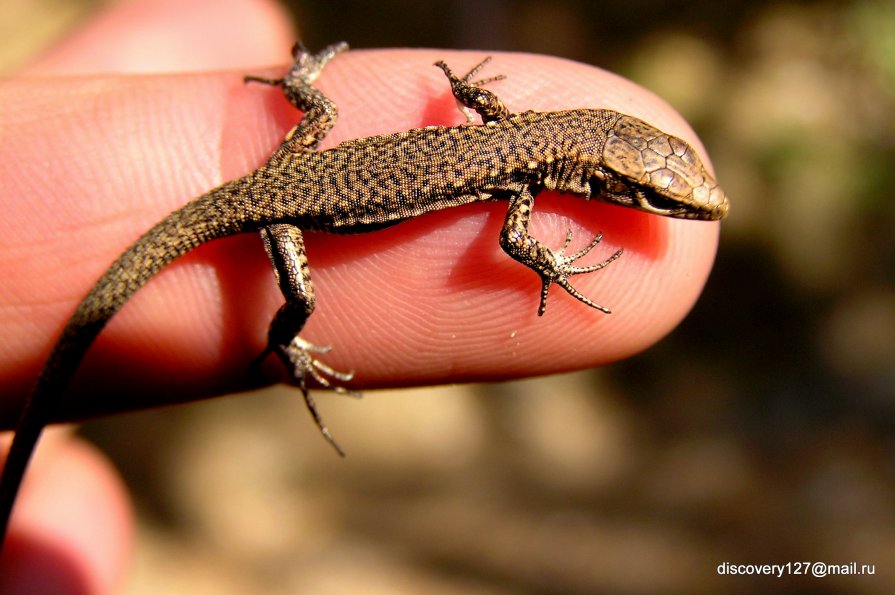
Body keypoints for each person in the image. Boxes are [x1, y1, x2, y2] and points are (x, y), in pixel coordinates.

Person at [0, 0, 721, 591]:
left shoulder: (518, 137)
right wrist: (547, 267)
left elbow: (471, 97)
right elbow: (511, 242)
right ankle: (284, 344)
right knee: (302, 304)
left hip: (293, 167)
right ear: (598, 175)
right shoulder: (523, 174)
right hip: (281, 211)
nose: (678, 206)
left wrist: (354, 84)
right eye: (658, 196)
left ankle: (304, 82)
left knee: (316, 118)